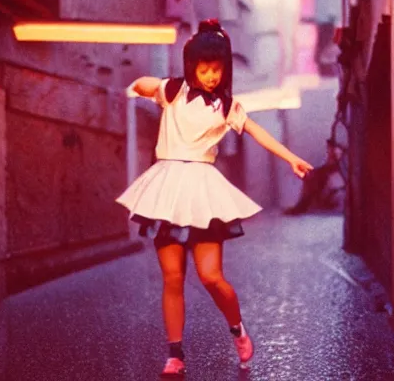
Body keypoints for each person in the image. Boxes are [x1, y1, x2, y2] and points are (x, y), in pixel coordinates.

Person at [116, 19, 313, 378]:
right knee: (172, 278)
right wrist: (140, 84)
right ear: (191, 66)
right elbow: (145, 86)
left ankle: (237, 329)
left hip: (202, 192)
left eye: (216, 70)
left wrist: (291, 159)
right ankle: (175, 354)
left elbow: (257, 132)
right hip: (166, 190)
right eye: (203, 69)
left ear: (225, 69)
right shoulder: (173, 90)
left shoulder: (227, 106)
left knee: (211, 277)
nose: (209, 76)